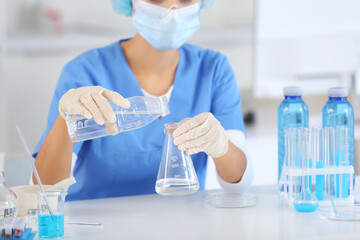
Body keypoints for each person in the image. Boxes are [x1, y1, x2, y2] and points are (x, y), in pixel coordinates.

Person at [33, 0, 253, 201]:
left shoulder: (213, 70)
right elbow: (43, 191)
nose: (171, 8)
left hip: (184, 226)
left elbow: (238, 184)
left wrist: (221, 146)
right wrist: (66, 120)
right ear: (131, 3)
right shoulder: (85, 72)